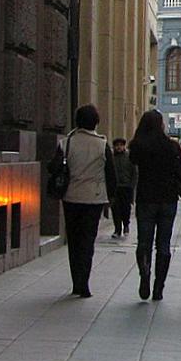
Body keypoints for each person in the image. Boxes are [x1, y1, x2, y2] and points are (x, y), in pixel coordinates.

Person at [128, 110, 181, 301]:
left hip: (146, 199)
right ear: (161, 125)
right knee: (163, 245)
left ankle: (144, 275)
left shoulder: (138, 145)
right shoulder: (172, 147)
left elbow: (132, 163)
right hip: (168, 201)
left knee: (144, 242)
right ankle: (158, 287)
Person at [59, 104, 116, 297]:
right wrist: (111, 197)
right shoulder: (102, 144)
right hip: (94, 198)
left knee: (73, 240)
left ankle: (76, 281)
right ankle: (84, 282)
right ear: (96, 122)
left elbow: (54, 166)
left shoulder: (67, 142)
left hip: (71, 196)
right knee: (87, 241)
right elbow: (111, 174)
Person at [109, 138, 136, 239]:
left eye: (121, 145)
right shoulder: (111, 157)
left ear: (124, 146)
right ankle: (117, 229)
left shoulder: (129, 157)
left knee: (126, 208)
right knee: (115, 209)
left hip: (126, 187)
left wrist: (132, 186)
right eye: (117, 145)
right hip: (115, 187)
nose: (119, 147)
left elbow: (134, 172)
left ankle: (126, 225)